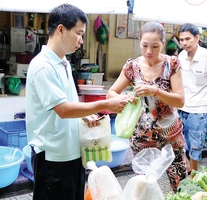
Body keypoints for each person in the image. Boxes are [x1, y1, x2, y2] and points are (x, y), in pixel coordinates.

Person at [25, 4, 129, 200]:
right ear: (61, 29)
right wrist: (104, 105)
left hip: (72, 153)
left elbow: (68, 105)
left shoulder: (63, 62)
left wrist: (85, 116)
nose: (81, 40)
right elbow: (63, 110)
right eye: (79, 33)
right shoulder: (43, 66)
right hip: (53, 158)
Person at [106, 21, 187, 192]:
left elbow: (180, 100)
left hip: (171, 134)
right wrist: (125, 98)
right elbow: (111, 93)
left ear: (163, 44)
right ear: (140, 42)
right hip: (142, 137)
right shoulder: (132, 66)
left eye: (155, 46)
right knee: (144, 184)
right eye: (144, 45)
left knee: (180, 181)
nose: (149, 51)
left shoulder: (172, 64)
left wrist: (155, 91)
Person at [177, 23, 207, 174]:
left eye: (188, 39)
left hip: (199, 111)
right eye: (181, 40)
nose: (184, 43)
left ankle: (194, 176)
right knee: (180, 145)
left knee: (195, 147)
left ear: (197, 38)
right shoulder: (181, 56)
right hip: (181, 109)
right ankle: (187, 171)